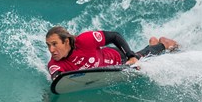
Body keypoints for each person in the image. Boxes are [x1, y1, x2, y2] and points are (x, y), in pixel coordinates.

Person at [45, 26, 178, 79]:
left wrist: (130, 56)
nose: (51, 50)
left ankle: (164, 44)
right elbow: (57, 78)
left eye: (55, 44)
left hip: (118, 58)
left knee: (141, 58)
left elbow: (114, 36)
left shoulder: (85, 40)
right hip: (107, 68)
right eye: (48, 45)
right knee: (144, 54)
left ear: (66, 42)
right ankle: (152, 44)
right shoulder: (54, 64)